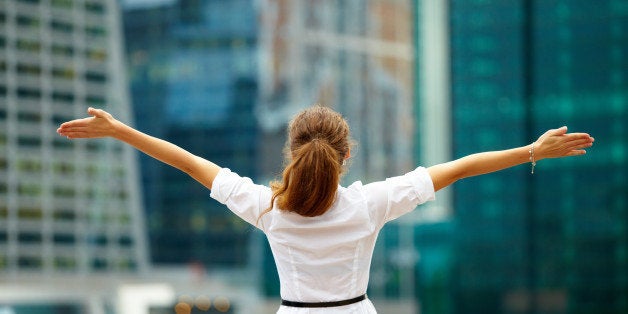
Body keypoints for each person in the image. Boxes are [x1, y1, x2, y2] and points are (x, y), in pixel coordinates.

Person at [57, 105, 594, 313]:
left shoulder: (267, 207)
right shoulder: (369, 204)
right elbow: (461, 167)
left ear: (292, 152)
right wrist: (530, 151)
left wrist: (119, 130)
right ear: (346, 156)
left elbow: (187, 161)